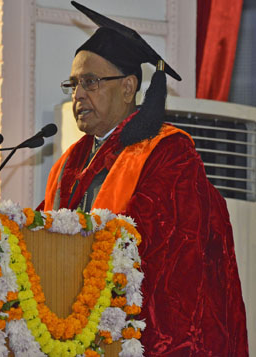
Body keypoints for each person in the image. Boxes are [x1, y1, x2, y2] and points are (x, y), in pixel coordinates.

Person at [38, 2, 248, 355]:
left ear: (127, 87)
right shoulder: (69, 164)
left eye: (90, 82)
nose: (78, 96)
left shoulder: (167, 154)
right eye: (73, 84)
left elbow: (175, 261)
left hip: (143, 334)